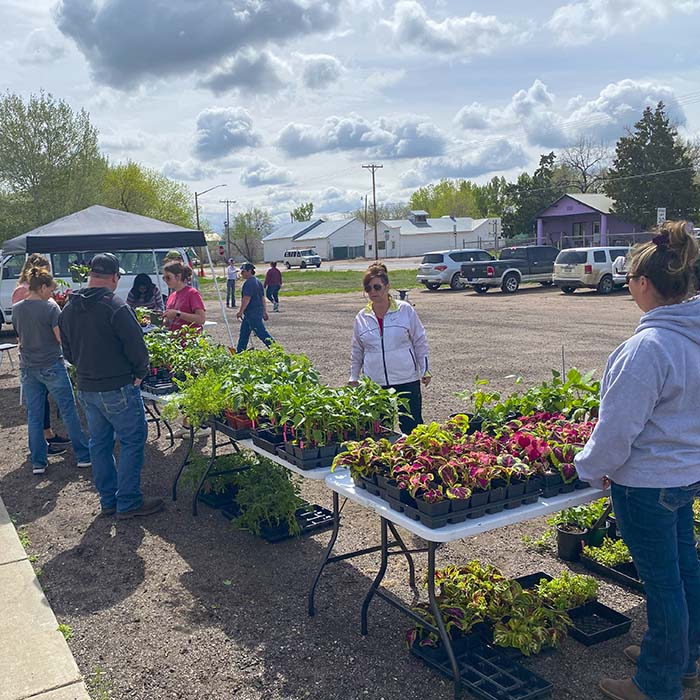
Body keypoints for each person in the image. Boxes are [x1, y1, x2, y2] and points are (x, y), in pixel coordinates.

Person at [574, 221, 700, 700]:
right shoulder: (691, 336)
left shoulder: (648, 348)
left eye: (629, 280)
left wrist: (587, 467)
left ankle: (656, 683)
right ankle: (682, 661)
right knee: (685, 570)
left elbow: (617, 430)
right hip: (685, 476)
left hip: (647, 484)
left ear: (645, 284)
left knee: (663, 584)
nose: (629, 288)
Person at [59, 253, 163, 519]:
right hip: (117, 387)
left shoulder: (69, 308)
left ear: (91, 274)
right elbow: (137, 348)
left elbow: (68, 353)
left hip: (86, 387)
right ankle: (128, 501)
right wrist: (139, 373)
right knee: (131, 440)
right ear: (115, 277)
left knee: (100, 444)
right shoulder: (115, 306)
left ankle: (108, 500)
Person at [12, 267, 91, 476]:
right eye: (50, 289)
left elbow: (19, 336)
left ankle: (38, 461)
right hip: (51, 364)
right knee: (68, 410)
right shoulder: (50, 308)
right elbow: (60, 338)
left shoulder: (17, 308)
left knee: (35, 415)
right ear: (43, 287)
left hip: (28, 366)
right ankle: (83, 455)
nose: (52, 294)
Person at [349, 263, 431, 435]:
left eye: (377, 287)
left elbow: (419, 340)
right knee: (378, 431)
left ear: (387, 286)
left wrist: (425, 369)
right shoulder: (361, 317)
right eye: (368, 288)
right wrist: (354, 376)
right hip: (375, 383)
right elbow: (357, 350)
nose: (373, 292)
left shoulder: (405, 310)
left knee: (413, 428)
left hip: (406, 379)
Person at [12, 253, 70, 454]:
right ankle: (51, 441)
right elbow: (29, 327)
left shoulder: (24, 297)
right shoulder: (26, 294)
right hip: (42, 357)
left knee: (38, 406)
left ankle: (42, 446)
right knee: (57, 405)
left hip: (31, 357)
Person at [235, 263, 274, 353]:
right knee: (244, 334)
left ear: (249, 271)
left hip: (252, 313)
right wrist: (264, 312)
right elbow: (262, 298)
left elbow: (246, 299)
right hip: (254, 312)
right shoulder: (258, 282)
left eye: (243, 271)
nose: (242, 274)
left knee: (261, 333)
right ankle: (240, 352)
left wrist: (240, 311)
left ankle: (276, 349)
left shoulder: (249, 283)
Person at [162, 261, 206, 333]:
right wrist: (164, 320)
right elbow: (171, 320)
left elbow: (201, 319)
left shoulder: (192, 293)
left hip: (190, 340)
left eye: (168, 277)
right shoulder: (171, 296)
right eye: (164, 278)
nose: (166, 281)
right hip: (174, 340)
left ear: (178, 276)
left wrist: (177, 314)